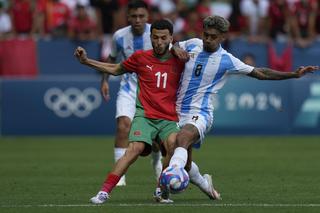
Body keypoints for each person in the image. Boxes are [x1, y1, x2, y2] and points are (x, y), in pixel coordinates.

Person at [165, 15, 319, 199]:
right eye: (206, 34)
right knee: (186, 163)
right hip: (175, 109)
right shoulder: (193, 44)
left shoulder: (226, 59)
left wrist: (293, 75)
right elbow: (173, 46)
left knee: (181, 139)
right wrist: (175, 49)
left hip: (200, 113)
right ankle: (205, 184)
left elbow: (261, 73)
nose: (207, 39)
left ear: (222, 37)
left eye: (213, 36)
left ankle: (168, 179)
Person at [74, 19, 185, 204]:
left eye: (163, 38)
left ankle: (161, 189)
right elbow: (115, 68)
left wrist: (180, 47)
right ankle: (104, 192)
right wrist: (86, 61)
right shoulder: (141, 57)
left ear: (171, 38)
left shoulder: (181, 60)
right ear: (151, 37)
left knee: (173, 146)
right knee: (134, 149)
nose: (159, 42)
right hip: (145, 116)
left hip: (169, 118)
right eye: (155, 37)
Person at [99, 0, 162, 187]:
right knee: (123, 126)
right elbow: (111, 58)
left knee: (156, 137)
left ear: (147, 17)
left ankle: (157, 162)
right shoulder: (119, 36)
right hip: (128, 87)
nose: (137, 20)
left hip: (152, 90)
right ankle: (120, 174)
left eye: (141, 16)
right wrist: (104, 81)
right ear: (128, 17)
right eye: (134, 16)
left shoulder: (157, 34)